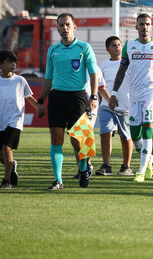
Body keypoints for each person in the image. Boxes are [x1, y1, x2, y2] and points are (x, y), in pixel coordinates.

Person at [109, 13, 153, 183]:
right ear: (136, 27)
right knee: (134, 133)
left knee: (148, 130)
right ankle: (147, 160)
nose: (145, 27)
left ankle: (141, 170)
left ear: (151, 26)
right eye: (141, 24)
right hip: (133, 94)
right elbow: (122, 70)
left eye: (147, 24)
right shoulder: (129, 46)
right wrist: (114, 93)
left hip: (151, 94)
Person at [36, 13, 99, 190]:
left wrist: (93, 97)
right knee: (56, 138)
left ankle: (83, 168)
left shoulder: (83, 47)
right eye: (61, 25)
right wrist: (41, 100)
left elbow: (93, 74)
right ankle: (58, 180)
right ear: (57, 28)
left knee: (78, 141)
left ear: (74, 27)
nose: (64, 28)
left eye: (67, 25)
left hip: (77, 97)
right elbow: (48, 78)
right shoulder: (52, 50)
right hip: (56, 97)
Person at [0, 50, 43, 188]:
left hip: (15, 120)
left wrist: (39, 107)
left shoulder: (20, 80)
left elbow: (29, 97)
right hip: (1, 121)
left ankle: (6, 181)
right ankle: (12, 167)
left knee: (7, 148)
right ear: (1, 64)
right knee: (2, 153)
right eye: (9, 62)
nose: (13, 64)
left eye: (14, 61)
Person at [96, 36, 134, 176]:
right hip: (106, 106)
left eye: (119, 45)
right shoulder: (104, 65)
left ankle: (126, 166)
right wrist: (100, 102)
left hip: (125, 106)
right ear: (107, 49)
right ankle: (106, 165)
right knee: (105, 133)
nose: (117, 47)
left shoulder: (128, 64)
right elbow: (100, 86)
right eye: (114, 45)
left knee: (125, 136)